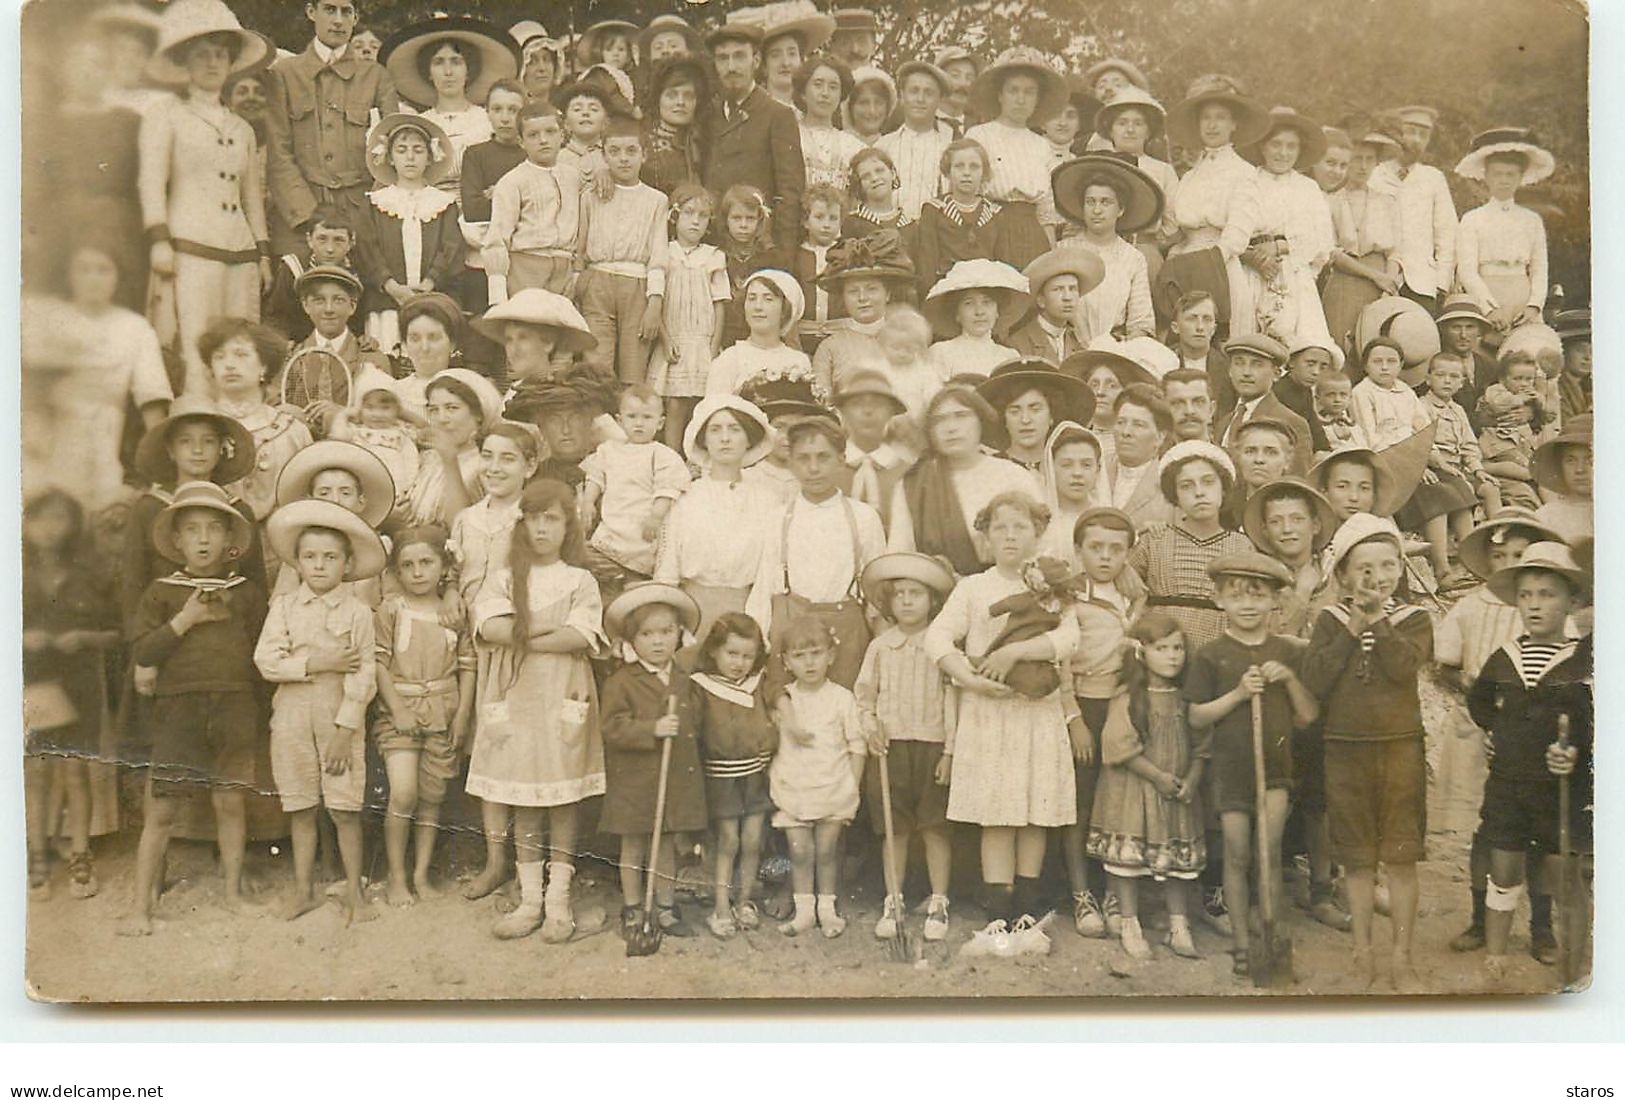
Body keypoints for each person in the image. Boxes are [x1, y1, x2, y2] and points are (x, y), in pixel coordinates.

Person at [924, 491, 1082, 928]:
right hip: (989, 713)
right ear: (986, 537)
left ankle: (1027, 907)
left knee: (1034, 808)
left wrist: (1017, 653)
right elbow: (936, 638)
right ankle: (999, 908)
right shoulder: (973, 588)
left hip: (1036, 712)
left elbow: (1070, 639)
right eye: (1000, 528)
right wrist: (967, 677)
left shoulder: (1053, 585)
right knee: (997, 810)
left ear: (1037, 534)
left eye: (1020, 527)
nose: (1010, 536)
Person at [121, 481, 268, 935]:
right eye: (192, 530)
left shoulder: (246, 592)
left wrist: (260, 711)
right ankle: (140, 908)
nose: (203, 539)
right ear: (177, 541)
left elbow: (262, 650)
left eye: (213, 530)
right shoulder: (162, 591)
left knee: (230, 801)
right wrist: (185, 619)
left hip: (234, 705)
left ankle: (233, 893)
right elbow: (144, 651)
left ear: (230, 542)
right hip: (179, 709)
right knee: (162, 809)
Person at [466, 479, 607, 942]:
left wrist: (525, 629)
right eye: (534, 518)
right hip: (517, 696)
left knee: (562, 798)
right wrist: (543, 627)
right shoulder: (505, 577)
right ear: (521, 523)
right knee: (524, 797)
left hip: (562, 695)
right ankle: (529, 899)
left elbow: (580, 636)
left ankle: (558, 901)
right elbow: (491, 626)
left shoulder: (579, 579)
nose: (542, 527)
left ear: (568, 526)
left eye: (552, 518)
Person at [1300, 513, 1434, 992]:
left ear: (1400, 568)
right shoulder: (1330, 620)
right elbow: (1315, 679)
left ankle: (1402, 956)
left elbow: (1403, 669)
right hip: (1344, 750)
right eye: (1364, 569)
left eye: (1387, 566)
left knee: (1400, 857)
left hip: (1399, 748)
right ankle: (1363, 953)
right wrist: (1354, 627)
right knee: (1357, 860)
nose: (1377, 578)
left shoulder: (1414, 619)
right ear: (1342, 576)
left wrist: (1379, 620)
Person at [1439, 511, 1567, 959]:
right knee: (1489, 831)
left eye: (1519, 555)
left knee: (1540, 837)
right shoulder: (1471, 606)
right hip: (1480, 735)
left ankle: (1541, 926)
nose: (1508, 562)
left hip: (1533, 747)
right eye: (1501, 556)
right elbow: (1447, 664)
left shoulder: (1546, 616)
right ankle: (1480, 917)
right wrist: (1479, 701)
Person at [1186, 551, 1318, 975]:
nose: (1247, 604)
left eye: (1257, 595)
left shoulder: (1286, 651)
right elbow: (1196, 716)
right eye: (1236, 595)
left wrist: (1290, 679)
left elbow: (1308, 716)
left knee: (1269, 853)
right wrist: (1239, 695)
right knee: (1238, 856)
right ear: (1220, 600)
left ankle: (1272, 937)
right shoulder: (1211, 656)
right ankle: (1242, 942)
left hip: (1275, 771)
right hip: (1230, 771)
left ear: (1274, 602)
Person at [255, 497, 385, 924]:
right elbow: (266, 661)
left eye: (330, 557)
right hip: (291, 717)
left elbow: (364, 675)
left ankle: (355, 894)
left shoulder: (358, 612)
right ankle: (304, 891)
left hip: (337, 721)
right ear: (296, 562)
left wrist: (345, 730)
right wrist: (317, 663)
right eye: (309, 557)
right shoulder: (285, 608)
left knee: (345, 808)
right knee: (301, 805)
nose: (319, 566)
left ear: (347, 564)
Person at [1467, 541, 1592, 983]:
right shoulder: (1505, 658)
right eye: (1526, 595)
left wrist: (1575, 752)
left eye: (1547, 594)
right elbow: (1479, 700)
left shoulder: (1582, 662)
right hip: (1508, 782)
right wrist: (1494, 732)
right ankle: (1497, 948)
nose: (1535, 605)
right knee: (1503, 863)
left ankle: (1552, 940)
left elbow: (1592, 723)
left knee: (1554, 868)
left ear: (1572, 601)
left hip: (1559, 786)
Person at [139, 0, 272, 396]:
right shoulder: (166, 115)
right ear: (185, 63)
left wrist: (262, 254)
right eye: (202, 55)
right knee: (197, 347)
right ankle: (198, 429)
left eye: (220, 55)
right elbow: (151, 182)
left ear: (231, 63)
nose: (213, 64)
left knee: (241, 347)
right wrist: (159, 239)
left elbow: (252, 197)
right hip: (190, 247)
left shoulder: (242, 127)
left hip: (240, 252)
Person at [1088, 610, 1208, 959]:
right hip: (1135, 789)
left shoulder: (1186, 697)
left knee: (1174, 862)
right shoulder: (1128, 696)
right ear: (1142, 653)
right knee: (1129, 862)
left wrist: (1192, 780)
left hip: (1176, 791)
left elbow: (1203, 745)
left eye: (1178, 648)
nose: (1172, 656)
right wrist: (1158, 778)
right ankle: (1129, 922)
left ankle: (1178, 924)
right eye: (1162, 648)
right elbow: (1118, 747)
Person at [20, 242, 173, 514]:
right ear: (69, 274)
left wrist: (160, 470)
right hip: (42, 430)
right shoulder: (45, 315)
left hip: (102, 433)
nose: (93, 279)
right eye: (84, 269)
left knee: (97, 509)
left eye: (103, 270)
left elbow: (153, 400)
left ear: (117, 277)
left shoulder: (134, 327)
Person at [22, 490, 121, 900]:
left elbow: (116, 633)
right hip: (34, 682)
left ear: (74, 525)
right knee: (38, 772)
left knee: (76, 771)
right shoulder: (16, 572)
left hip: (78, 684)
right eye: (42, 519)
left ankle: (80, 854)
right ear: (26, 524)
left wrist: (83, 637)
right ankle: (37, 855)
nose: (51, 528)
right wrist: (23, 638)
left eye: (61, 519)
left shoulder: (89, 574)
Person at [853, 552, 957, 942]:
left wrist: (950, 751)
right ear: (888, 602)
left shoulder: (942, 646)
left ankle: (938, 899)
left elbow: (953, 701)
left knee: (935, 827)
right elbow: (864, 697)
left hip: (932, 744)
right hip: (891, 748)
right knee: (893, 828)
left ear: (933, 600)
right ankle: (893, 898)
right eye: (900, 594)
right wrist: (870, 725)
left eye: (917, 593)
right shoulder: (880, 647)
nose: (908, 601)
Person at [600, 583, 710, 941]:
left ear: (679, 635)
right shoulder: (622, 681)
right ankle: (634, 906)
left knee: (665, 846)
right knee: (633, 844)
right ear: (632, 640)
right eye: (647, 634)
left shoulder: (684, 681)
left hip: (671, 779)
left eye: (666, 632)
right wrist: (652, 728)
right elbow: (611, 727)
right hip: (634, 782)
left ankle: (664, 906)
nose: (658, 641)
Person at [372, 526, 475, 906]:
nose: (417, 572)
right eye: (408, 565)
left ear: (443, 566)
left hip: (443, 714)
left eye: (426, 563)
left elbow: (468, 666)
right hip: (400, 713)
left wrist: (462, 715)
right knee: (403, 792)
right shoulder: (391, 611)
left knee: (432, 797)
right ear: (396, 572)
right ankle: (397, 877)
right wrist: (397, 708)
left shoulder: (453, 611)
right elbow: (378, 663)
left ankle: (421, 873)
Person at [748, 418, 887, 688]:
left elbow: (877, 595)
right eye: (803, 459)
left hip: (845, 635)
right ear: (790, 462)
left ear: (841, 459)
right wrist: (759, 643)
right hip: (790, 634)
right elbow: (764, 587)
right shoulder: (778, 518)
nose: (813, 468)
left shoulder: (863, 517)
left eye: (823, 457)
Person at [1062, 506, 1144, 936]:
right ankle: (1082, 895)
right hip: (1082, 707)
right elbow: (1060, 663)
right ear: (1079, 551)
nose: (1106, 557)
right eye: (1095, 548)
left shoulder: (1134, 597)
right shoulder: (1069, 597)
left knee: (1117, 803)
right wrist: (1073, 719)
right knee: (1079, 804)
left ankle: (1115, 893)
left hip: (1121, 707)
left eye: (1116, 549)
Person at [264, 0, 400, 256]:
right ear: (311, 12)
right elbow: (277, 152)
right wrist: (307, 213)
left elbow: (393, 154)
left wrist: (371, 212)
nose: (338, 20)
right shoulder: (284, 74)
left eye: (346, 12)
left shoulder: (376, 76)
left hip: (361, 217)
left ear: (356, 18)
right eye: (329, 9)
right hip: (299, 216)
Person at [766, 615, 866, 937]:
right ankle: (804, 910)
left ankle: (828, 909)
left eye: (816, 653)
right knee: (799, 850)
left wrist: (852, 785)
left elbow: (857, 745)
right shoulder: (785, 700)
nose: (809, 663)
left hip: (834, 787)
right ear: (786, 661)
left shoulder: (842, 698)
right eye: (799, 656)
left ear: (831, 656)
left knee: (826, 851)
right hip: (794, 786)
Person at [653, 396, 779, 637]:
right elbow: (667, 570)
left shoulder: (766, 501)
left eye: (734, 430)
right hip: (692, 617)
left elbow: (768, 574)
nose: (725, 438)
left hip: (747, 615)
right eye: (715, 430)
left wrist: (757, 628)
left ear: (748, 440)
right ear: (704, 440)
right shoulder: (686, 497)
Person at [691, 612, 779, 939]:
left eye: (747, 655)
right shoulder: (701, 685)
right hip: (721, 777)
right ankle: (720, 906)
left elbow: (769, 719)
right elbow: (695, 733)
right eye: (732, 654)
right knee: (728, 841)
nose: (740, 663)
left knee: (754, 839)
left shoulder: (759, 683)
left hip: (755, 774)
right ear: (714, 650)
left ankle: (744, 901)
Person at [1156, 79, 1268, 334]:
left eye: (1220, 117)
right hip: (1184, 262)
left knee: (1220, 338)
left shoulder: (1243, 172)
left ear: (1233, 125)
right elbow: (1177, 225)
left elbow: (1238, 234)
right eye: (1206, 117)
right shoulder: (1190, 175)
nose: (1212, 124)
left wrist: (1209, 262)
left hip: (1219, 264)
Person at [888, 386, 1031, 575]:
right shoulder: (913, 485)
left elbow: (1042, 548)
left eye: (961, 416)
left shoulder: (1013, 476)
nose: (951, 428)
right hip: (938, 595)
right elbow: (899, 555)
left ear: (980, 421)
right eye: (940, 420)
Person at [354, 113, 464, 353]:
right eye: (402, 150)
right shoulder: (376, 203)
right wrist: (391, 286)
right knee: (387, 355)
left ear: (430, 157)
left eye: (418, 150)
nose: (410, 157)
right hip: (387, 302)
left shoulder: (443, 203)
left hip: (433, 298)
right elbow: (367, 250)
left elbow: (451, 248)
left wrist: (428, 285)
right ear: (390, 158)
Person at [575, 115, 669, 384]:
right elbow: (580, 248)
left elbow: (658, 257)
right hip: (597, 285)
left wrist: (654, 303)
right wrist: (579, 285)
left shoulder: (656, 200)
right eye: (614, 152)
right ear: (603, 157)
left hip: (637, 287)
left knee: (633, 370)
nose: (623, 159)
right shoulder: (591, 196)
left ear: (644, 154)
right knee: (596, 366)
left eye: (631, 151)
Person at [379, 19, 518, 197]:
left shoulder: (487, 121)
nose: (448, 72)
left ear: (469, 70)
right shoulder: (419, 124)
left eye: (456, 62)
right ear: (428, 72)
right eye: (438, 62)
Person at [703, 20, 806, 255]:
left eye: (739, 56)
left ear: (756, 61)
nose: (731, 66)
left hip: (759, 248)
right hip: (713, 248)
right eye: (723, 58)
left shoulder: (777, 114)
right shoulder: (709, 115)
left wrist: (783, 256)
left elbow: (790, 193)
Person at [579, 385, 690, 589]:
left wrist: (656, 516)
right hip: (612, 527)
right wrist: (588, 501)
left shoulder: (661, 454)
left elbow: (668, 488)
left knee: (636, 569)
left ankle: (632, 580)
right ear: (620, 420)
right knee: (596, 561)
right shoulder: (608, 450)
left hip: (642, 526)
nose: (639, 424)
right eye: (632, 417)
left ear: (660, 423)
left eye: (647, 418)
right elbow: (595, 477)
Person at [1242, 107, 1335, 348]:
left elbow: (1321, 243)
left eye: (1291, 146)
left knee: (1299, 342)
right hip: (1250, 272)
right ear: (1262, 146)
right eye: (1275, 144)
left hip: (1294, 275)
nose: (1282, 153)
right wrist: (1254, 255)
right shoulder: (1246, 181)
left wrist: (1281, 247)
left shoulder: (1308, 188)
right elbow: (1232, 229)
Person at [648, 183, 731, 447]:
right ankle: (674, 458)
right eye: (688, 213)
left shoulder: (713, 257)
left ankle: (699, 459)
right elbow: (656, 300)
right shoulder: (664, 254)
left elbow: (720, 303)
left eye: (702, 215)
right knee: (675, 404)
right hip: (674, 340)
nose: (695, 221)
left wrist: (714, 345)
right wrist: (665, 339)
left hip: (702, 342)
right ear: (675, 216)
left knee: (703, 405)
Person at [964, 47, 1068, 253]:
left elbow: (1046, 213)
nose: (1021, 99)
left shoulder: (1042, 145)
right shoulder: (979, 136)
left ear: (1037, 99)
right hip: (988, 230)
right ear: (1000, 95)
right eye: (1013, 90)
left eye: (1029, 92)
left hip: (1032, 234)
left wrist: (1051, 253)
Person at [1052, 153, 1161, 342]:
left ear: (1120, 210)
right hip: (1069, 347)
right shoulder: (1063, 251)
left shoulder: (1133, 258)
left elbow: (1140, 321)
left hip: (1116, 350)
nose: (1096, 210)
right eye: (1090, 202)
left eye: (1106, 202)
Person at [1454, 128, 1553, 334]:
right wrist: (1489, 308)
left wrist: (1534, 305)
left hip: (1523, 295)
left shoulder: (1531, 220)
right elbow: (1467, 271)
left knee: (1527, 351)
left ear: (1520, 178)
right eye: (1497, 174)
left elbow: (1539, 268)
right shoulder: (1472, 219)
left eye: (1511, 174)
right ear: (1486, 176)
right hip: (1487, 292)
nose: (1504, 180)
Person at [913, 140, 1048, 288]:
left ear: (984, 173)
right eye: (959, 166)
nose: (966, 173)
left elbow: (1002, 264)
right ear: (947, 172)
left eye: (974, 167)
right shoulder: (935, 210)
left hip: (986, 289)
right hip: (947, 290)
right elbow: (927, 262)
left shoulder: (995, 213)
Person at [482, 102, 585, 299]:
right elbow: (497, 239)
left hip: (565, 268)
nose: (543, 140)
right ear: (521, 141)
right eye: (533, 135)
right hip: (526, 266)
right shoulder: (513, 181)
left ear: (562, 136)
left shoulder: (574, 177)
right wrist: (498, 296)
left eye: (550, 132)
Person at [1369, 105, 1457, 309]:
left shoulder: (1433, 178)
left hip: (1422, 283)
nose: (1416, 140)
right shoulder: (1375, 174)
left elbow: (1447, 234)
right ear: (1397, 135)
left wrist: (1441, 284)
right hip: (1378, 278)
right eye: (1410, 132)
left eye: (1423, 135)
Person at [810, 231, 917, 397]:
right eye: (853, 291)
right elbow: (822, 403)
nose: (862, 298)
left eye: (871, 289)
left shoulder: (907, 341)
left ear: (887, 293)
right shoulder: (829, 348)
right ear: (844, 298)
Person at [1323, 131, 1402, 352]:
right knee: (1342, 343)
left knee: (1377, 345)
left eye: (1369, 160)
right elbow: (1333, 253)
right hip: (1345, 280)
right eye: (1357, 159)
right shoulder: (1330, 200)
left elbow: (1396, 251)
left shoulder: (1387, 202)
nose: (1362, 166)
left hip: (1382, 285)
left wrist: (1390, 282)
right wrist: (1375, 276)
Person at [457, 79, 528, 312]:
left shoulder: (530, 157)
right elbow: (473, 209)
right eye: (497, 109)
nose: (505, 118)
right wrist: (516, 197)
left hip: (524, 259)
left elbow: (537, 210)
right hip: (483, 261)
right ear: (487, 112)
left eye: (513, 110)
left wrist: (499, 192)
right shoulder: (476, 154)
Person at [402, 368, 504, 529]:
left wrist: (450, 461)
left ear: (478, 415)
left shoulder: (485, 467)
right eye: (434, 410)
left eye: (452, 408)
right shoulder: (426, 458)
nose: (441, 419)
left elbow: (459, 527)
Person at [1092, 87, 1181, 257]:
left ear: (1148, 131)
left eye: (1138, 123)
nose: (1130, 130)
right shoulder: (1098, 165)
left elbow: (1173, 220)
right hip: (1100, 250)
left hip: (1144, 249)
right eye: (1122, 123)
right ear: (1111, 129)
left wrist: (1151, 244)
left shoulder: (1163, 171)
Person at [1212, 333, 1313, 474]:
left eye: (1257, 364)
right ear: (1230, 371)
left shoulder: (1291, 422)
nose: (1246, 372)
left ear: (1276, 374)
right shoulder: (1224, 422)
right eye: (1239, 363)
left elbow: (1297, 483)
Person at [706, 269, 813, 398]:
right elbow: (714, 412)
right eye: (751, 298)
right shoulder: (730, 360)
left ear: (785, 309)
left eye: (768, 299)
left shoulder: (799, 361)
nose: (758, 307)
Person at [976, 359, 1095, 473]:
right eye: (1014, 411)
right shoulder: (989, 470)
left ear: (1052, 415)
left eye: (1035, 409)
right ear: (1004, 419)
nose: (1025, 420)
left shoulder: (1067, 469)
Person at [262, 207, 362, 343]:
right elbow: (276, 317)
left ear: (351, 242)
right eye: (322, 239)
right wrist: (282, 342)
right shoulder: (294, 267)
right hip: (298, 346)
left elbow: (360, 322)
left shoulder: (359, 272)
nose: (330, 249)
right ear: (309, 239)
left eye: (339, 240)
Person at [920, 258, 1028, 380]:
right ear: (957, 314)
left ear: (997, 311)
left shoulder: (1009, 357)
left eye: (987, 302)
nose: (979, 311)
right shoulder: (941, 352)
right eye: (969, 303)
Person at [1092, 380, 1176, 530]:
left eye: (1138, 425)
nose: (1126, 432)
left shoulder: (1169, 485)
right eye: (1121, 422)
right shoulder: (1095, 470)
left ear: (1160, 436)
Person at [831, 371, 912, 525]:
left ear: (891, 412)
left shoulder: (907, 473)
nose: (867, 411)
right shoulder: (826, 469)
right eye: (857, 404)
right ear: (844, 412)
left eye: (878, 404)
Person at [876, 61, 954, 220]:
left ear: (939, 100)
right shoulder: (883, 146)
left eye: (929, 93)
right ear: (902, 96)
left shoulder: (949, 149)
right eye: (914, 91)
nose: (920, 99)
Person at [1004, 249, 1104, 366]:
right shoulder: (1017, 344)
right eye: (1058, 289)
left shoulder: (1079, 344)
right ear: (1041, 300)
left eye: (1072, 289)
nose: (1067, 297)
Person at [640, 57, 710, 198]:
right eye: (671, 95)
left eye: (688, 96)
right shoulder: (642, 142)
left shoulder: (704, 141)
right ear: (658, 99)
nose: (680, 102)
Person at [792, 184, 848, 354]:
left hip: (839, 336)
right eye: (819, 217)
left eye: (833, 218)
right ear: (805, 221)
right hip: (803, 337)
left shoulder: (846, 255)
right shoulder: (797, 256)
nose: (826, 225)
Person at [795, 57, 865, 193]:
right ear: (803, 92)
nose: (825, 93)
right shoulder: (789, 137)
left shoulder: (853, 146)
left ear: (841, 95)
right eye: (818, 84)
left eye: (833, 87)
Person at [1352, 336, 1431, 451]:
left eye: (1391, 361)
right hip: (1383, 454)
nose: (1385, 367)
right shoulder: (1361, 393)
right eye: (1377, 361)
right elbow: (1369, 438)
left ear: (1401, 365)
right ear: (1365, 366)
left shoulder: (1406, 391)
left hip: (1414, 452)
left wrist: (1429, 449)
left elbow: (1423, 427)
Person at [873, 304, 943, 421]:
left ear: (920, 349)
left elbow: (934, 397)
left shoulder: (925, 372)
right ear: (883, 345)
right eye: (895, 347)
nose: (902, 353)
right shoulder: (876, 369)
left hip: (915, 423)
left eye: (909, 349)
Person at [1531, 416, 1593, 544]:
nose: (1580, 469)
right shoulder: (1546, 517)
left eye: (1589, 460)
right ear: (1559, 466)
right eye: (1570, 460)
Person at [1273, 338, 1339, 455]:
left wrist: (1326, 452)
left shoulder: (1305, 391)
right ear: (1291, 362)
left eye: (1323, 367)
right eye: (1310, 364)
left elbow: (1314, 427)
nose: (1316, 372)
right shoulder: (1279, 392)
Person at [842, 147, 913, 238]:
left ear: (893, 173)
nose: (875, 178)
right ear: (859, 185)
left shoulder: (910, 225)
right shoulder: (852, 224)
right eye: (866, 176)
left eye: (880, 171)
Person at [1313, 372, 1368, 456]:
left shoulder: (1353, 425)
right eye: (1331, 395)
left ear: (1350, 398)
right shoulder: (1319, 427)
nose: (1337, 400)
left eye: (1343, 395)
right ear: (1318, 398)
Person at [1162, 368, 1215, 444]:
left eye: (1198, 402)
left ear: (1211, 409)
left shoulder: (1229, 456)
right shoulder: (1151, 456)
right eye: (1178, 403)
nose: (1189, 411)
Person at [846, 66, 896, 147]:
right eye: (863, 103)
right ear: (850, 107)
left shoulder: (894, 148)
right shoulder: (836, 146)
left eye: (878, 103)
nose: (872, 111)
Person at [932, 47, 978, 136]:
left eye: (969, 78)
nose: (963, 83)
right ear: (937, 79)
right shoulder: (920, 124)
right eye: (955, 75)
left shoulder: (980, 131)